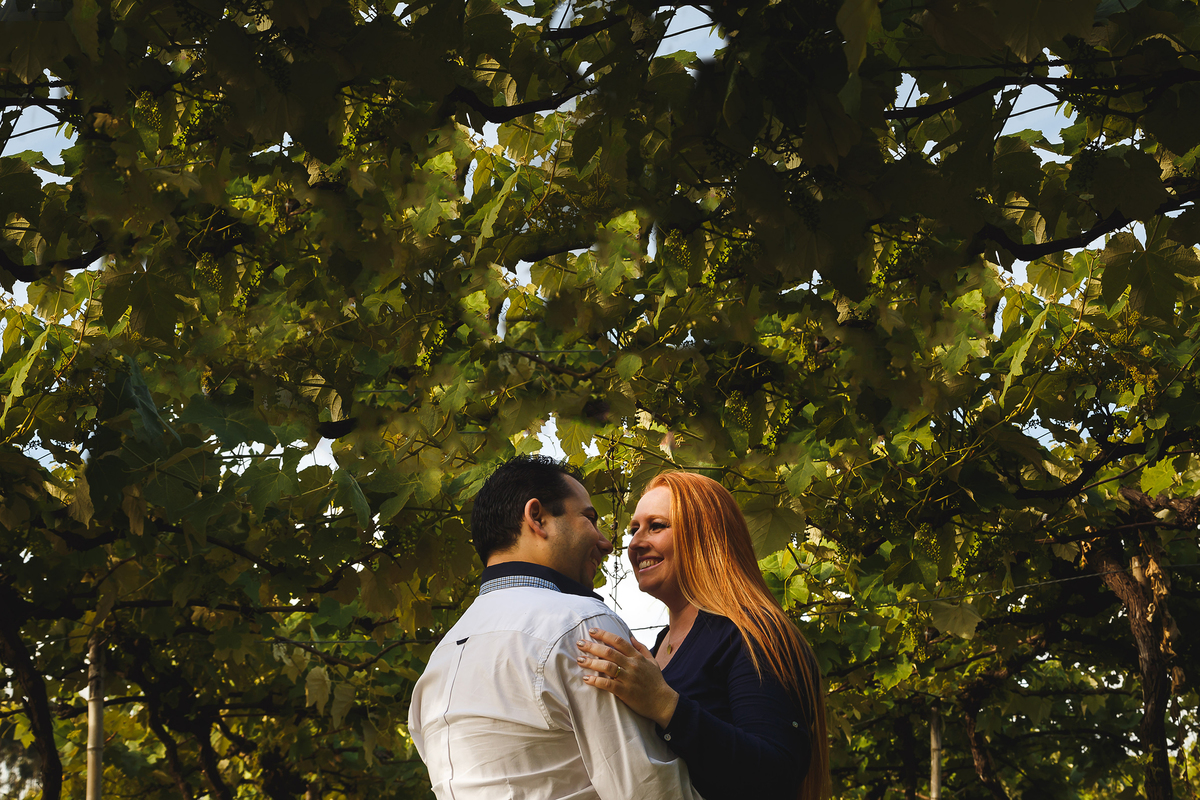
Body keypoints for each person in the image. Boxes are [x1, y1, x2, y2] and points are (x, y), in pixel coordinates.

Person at [407, 455, 706, 800]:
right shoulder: (582, 625)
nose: (606, 543)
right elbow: (650, 791)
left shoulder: (436, 665)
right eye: (589, 519)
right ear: (537, 517)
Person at [576, 471, 831, 800]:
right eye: (633, 529)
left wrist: (664, 704)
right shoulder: (660, 644)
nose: (636, 543)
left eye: (657, 526)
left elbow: (777, 772)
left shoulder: (753, 633)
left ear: (705, 535)